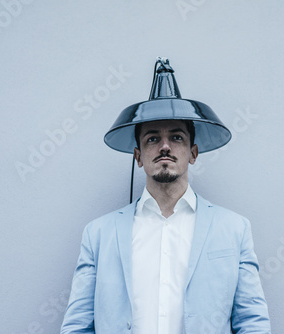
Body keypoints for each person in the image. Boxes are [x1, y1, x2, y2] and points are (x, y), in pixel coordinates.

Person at [60, 58, 270, 333]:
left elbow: (252, 323)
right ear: (138, 156)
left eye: (177, 137)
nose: (165, 147)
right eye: (152, 139)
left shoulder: (234, 229)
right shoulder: (98, 234)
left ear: (193, 153)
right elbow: (77, 325)